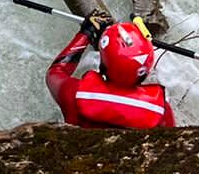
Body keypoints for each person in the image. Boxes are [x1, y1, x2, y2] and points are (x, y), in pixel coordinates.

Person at [47, 15, 175, 129]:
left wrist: (86, 33)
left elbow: (55, 72)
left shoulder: (73, 93)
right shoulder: (162, 111)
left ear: (103, 65)